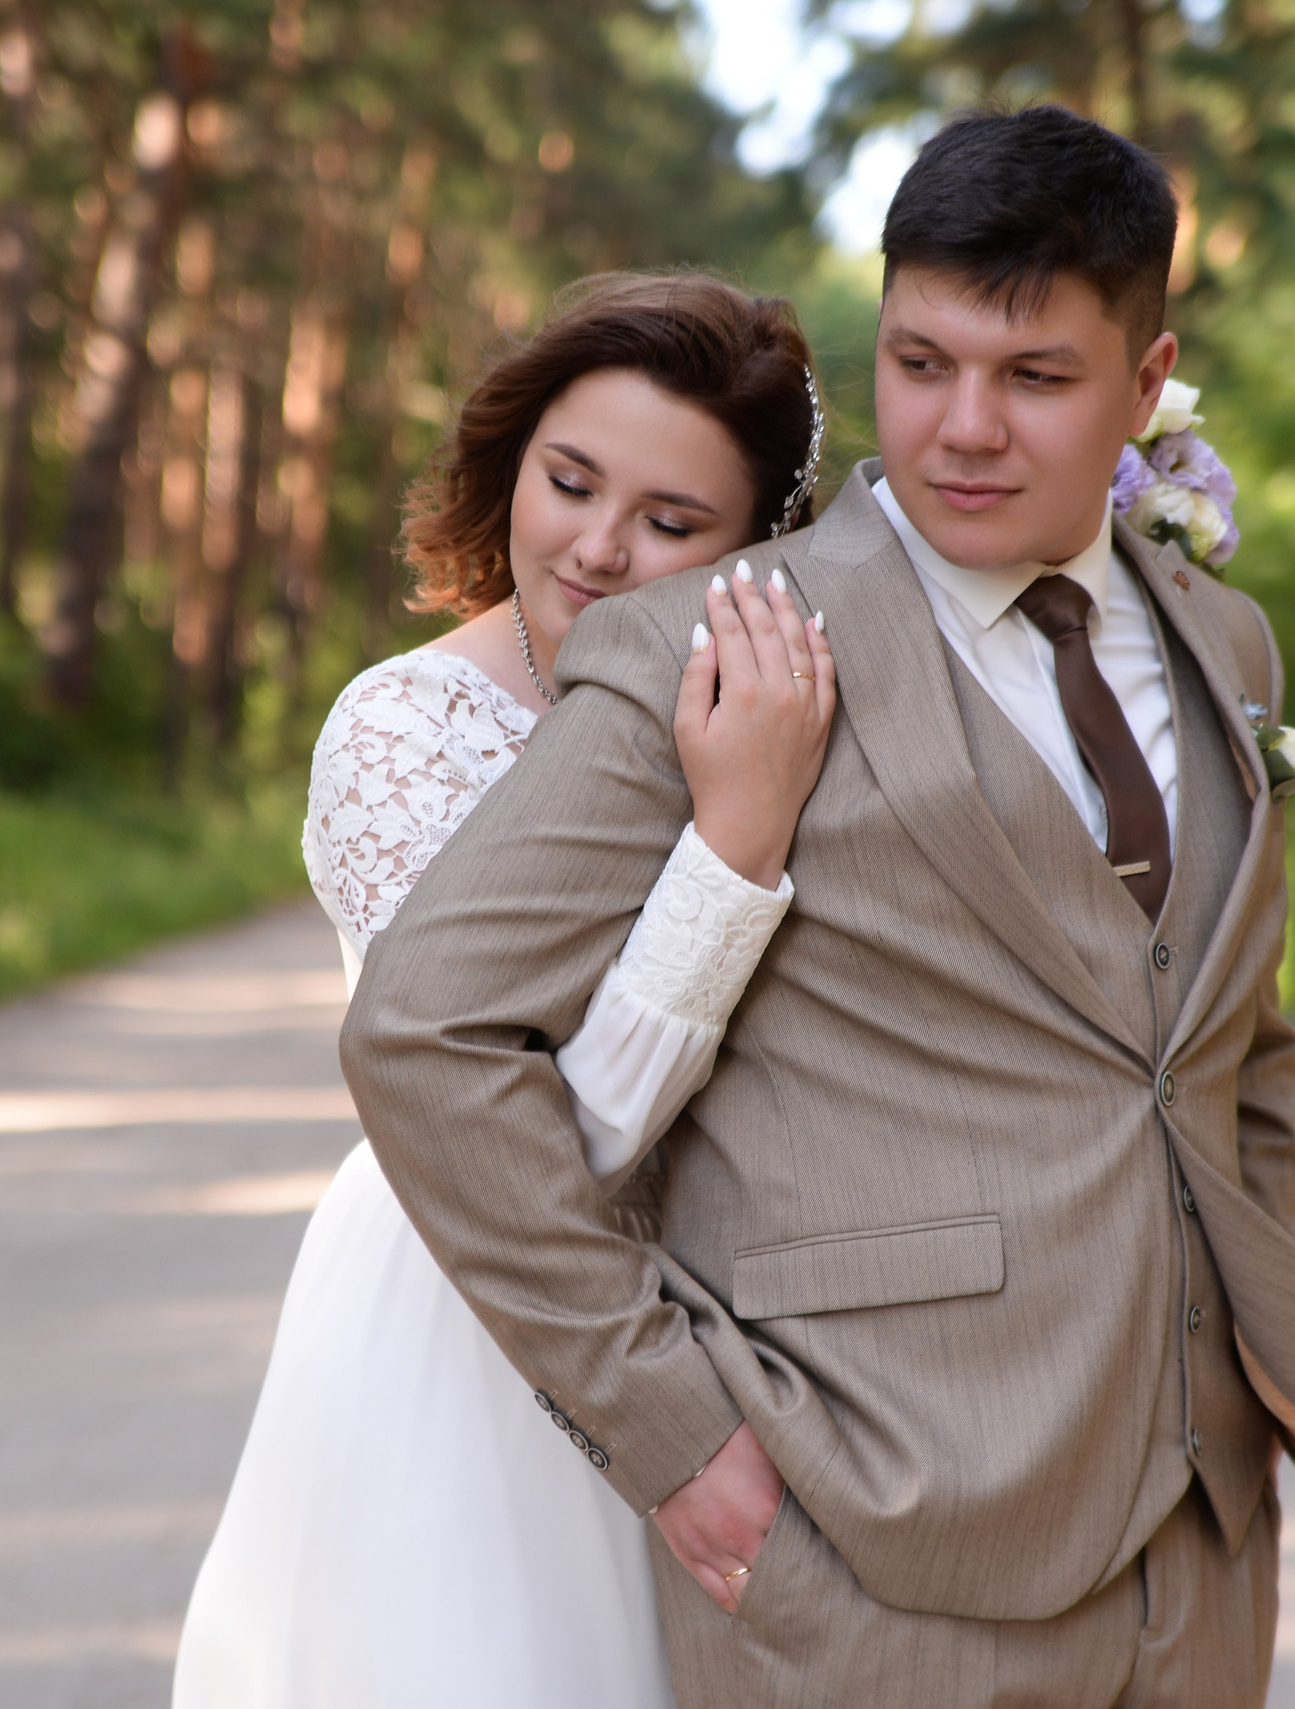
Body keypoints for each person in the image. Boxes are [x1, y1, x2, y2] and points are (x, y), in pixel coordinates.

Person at [341, 105, 1295, 1708]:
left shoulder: (1228, 644)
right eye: (922, 363)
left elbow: (1231, 1049)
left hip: (1198, 1565)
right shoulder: (700, 645)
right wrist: (672, 1437)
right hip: (861, 1557)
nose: (964, 430)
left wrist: (1241, 1386)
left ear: (1147, 384)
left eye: (1038, 378)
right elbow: (427, 1034)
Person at [172, 272, 839, 1708]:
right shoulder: (404, 731)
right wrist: (737, 844)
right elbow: (559, 1123)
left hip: (734, 1320)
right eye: (570, 481)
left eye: (670, 523)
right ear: (509, 460)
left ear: (759, 550)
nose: (597, 549)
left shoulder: (777, 711)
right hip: (471, 1311)